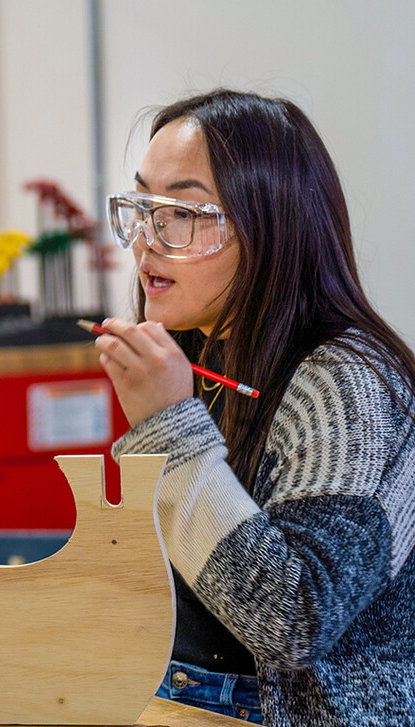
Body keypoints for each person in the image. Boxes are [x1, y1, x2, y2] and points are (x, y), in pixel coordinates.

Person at [94, 88, 415, 726]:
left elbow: (292, 622)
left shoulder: (346, 386)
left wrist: (170, 433)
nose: (146, 243)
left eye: (181, 213)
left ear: (271, 225)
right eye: (143, 208)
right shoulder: (214, 357)